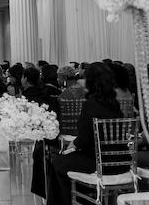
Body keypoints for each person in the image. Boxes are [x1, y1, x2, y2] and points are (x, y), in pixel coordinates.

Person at [46, 62, 124, 205]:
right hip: (120, 162)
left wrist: (71, 145)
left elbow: (83, 140)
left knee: (58, 163)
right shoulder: (115, 104)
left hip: (97, 162)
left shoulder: (91, 105)